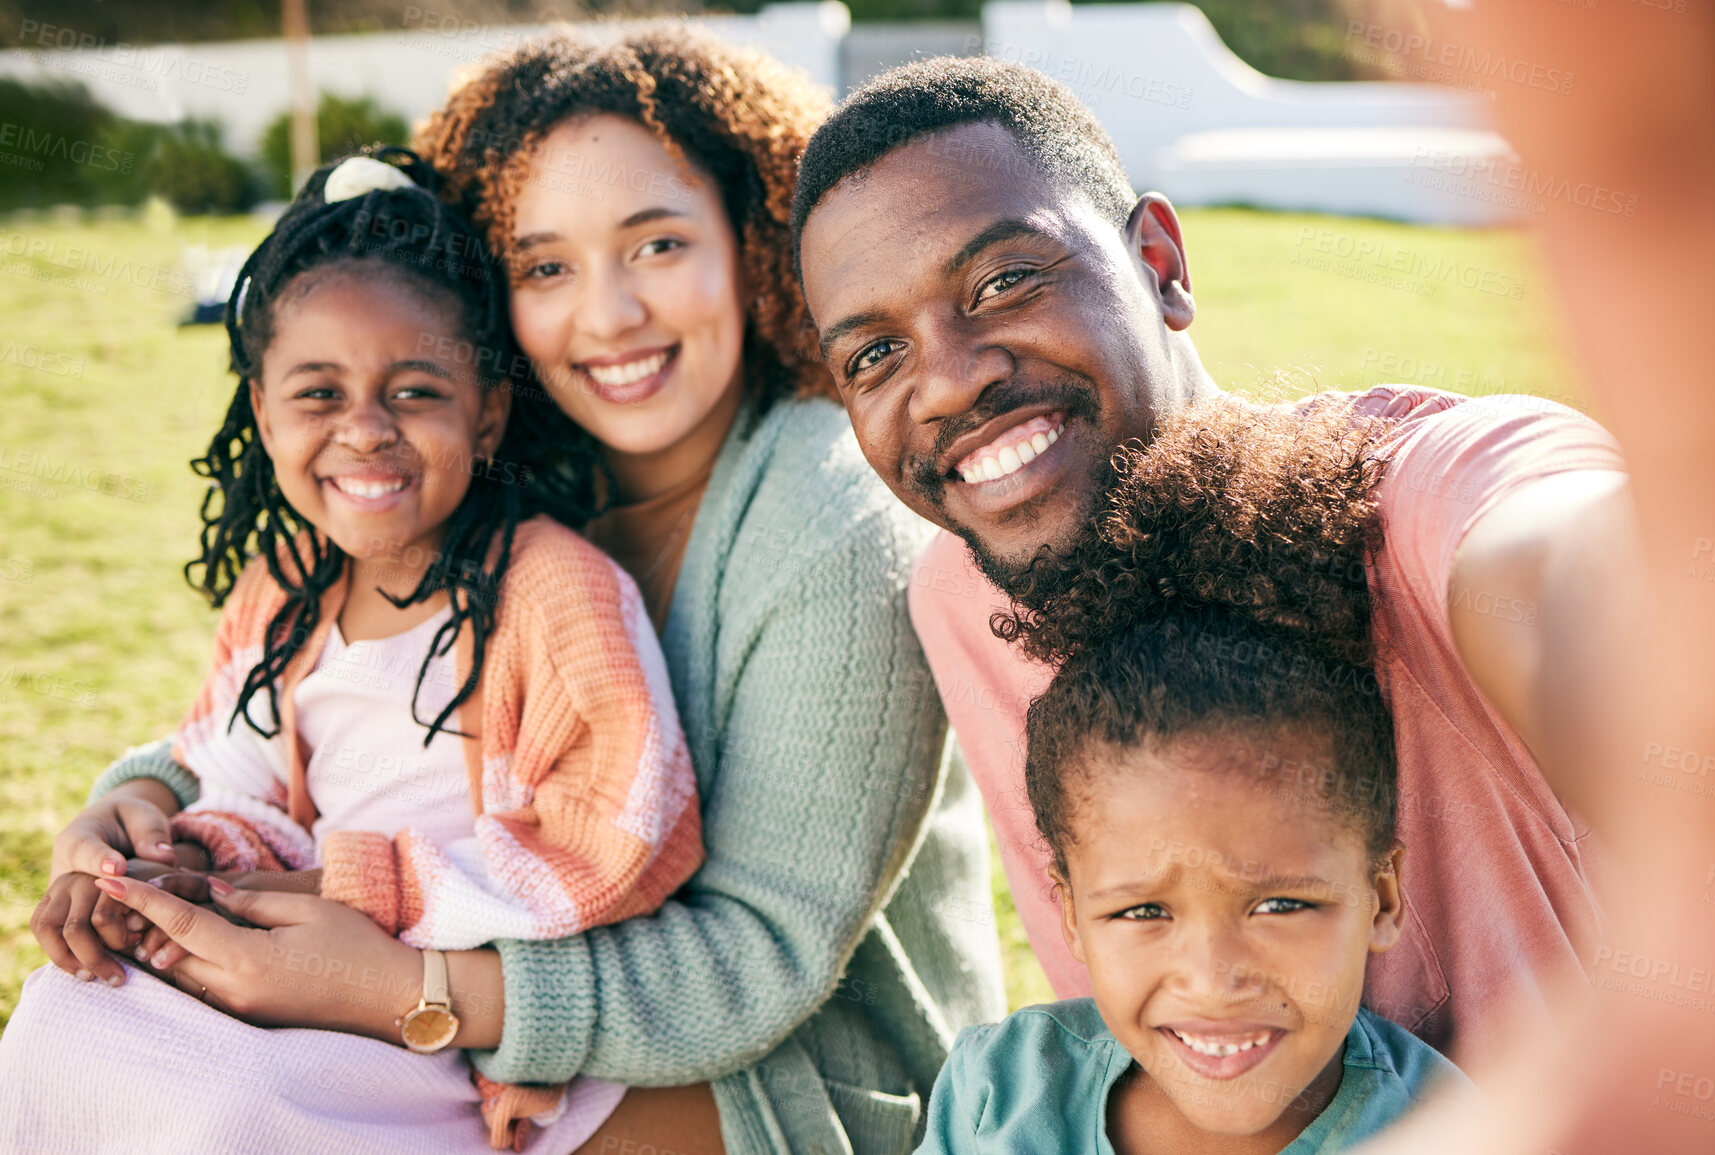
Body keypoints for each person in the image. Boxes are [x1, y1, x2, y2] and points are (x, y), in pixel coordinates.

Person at [38, 27, 1003, 1155]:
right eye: (547, 266)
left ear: (751, 243)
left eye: (655, 245)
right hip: (474, 995)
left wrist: (401, 988)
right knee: (105, 1044)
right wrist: (139, 806)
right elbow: (309, 692)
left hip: (791, 1074)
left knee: (259, 1122)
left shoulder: (829, 518)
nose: (609, 316)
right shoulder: (506, 460)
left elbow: (755, 968)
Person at [790, 56, 1632, 1075]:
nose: (948, 382)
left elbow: (1575, 572)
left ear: (1160, 266)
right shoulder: (969, 598)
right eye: (874, 355)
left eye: (1005, 282)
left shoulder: (1416, 499)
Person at [9, 148, 704, 1153]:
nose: (365, 432)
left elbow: (626, 834)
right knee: (56, 1025)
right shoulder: (289, 581)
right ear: (262, 411)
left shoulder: (557, 591)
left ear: (490, 410)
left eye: (415, 391)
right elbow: (231, 764)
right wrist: (164, 847)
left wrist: (360, 892)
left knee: (227, 1107)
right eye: (318, 394)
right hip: (289, 948)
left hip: (443, 1011)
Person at [918, 399, 1473, 1154]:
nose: (1213, 978)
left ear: (1380, 895)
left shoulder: (1449, 1129)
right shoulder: (1003, 1093)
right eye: (1143, 912)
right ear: (1071, 916)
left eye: (1279, 903)